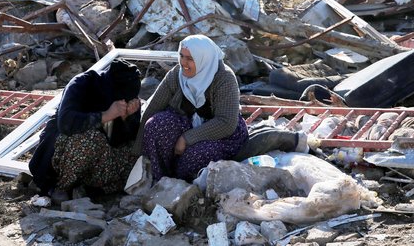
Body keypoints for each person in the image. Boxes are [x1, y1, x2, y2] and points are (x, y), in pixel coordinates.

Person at [133, 34, 249, 182]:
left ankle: (184, 186)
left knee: (193, 157)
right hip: (187, 123)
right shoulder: (177, 74)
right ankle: (163, 180)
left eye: (190, 59)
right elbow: (153, 108)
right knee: (155, 125)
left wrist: (186, 139)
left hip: (222, 134)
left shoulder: (224, 78)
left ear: (203, 59)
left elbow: (226, 123)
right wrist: (137, 150)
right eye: (181, 56)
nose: (183, 63)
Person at [29, 59, 142, 196]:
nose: (126, 101)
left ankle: (89, 190)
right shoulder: (83, 83)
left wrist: (125, 119)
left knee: (137, 150)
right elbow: (66, 123)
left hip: (101, 160)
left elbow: (122, 141)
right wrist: (106, 115)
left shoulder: (130, 99)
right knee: (92, 139)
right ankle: (61, 187)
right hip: (61, 152)